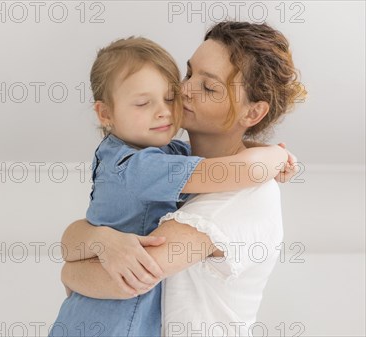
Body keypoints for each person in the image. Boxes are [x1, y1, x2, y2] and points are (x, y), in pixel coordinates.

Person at [59, 21, 306, 337]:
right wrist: (99, 240)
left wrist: (70, 269)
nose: (184, 89)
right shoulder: (167, 159)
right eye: (189, 74)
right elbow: (76, 235)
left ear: (252, 114)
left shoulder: (235, 199)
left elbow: (127, 277)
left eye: (209, 86)